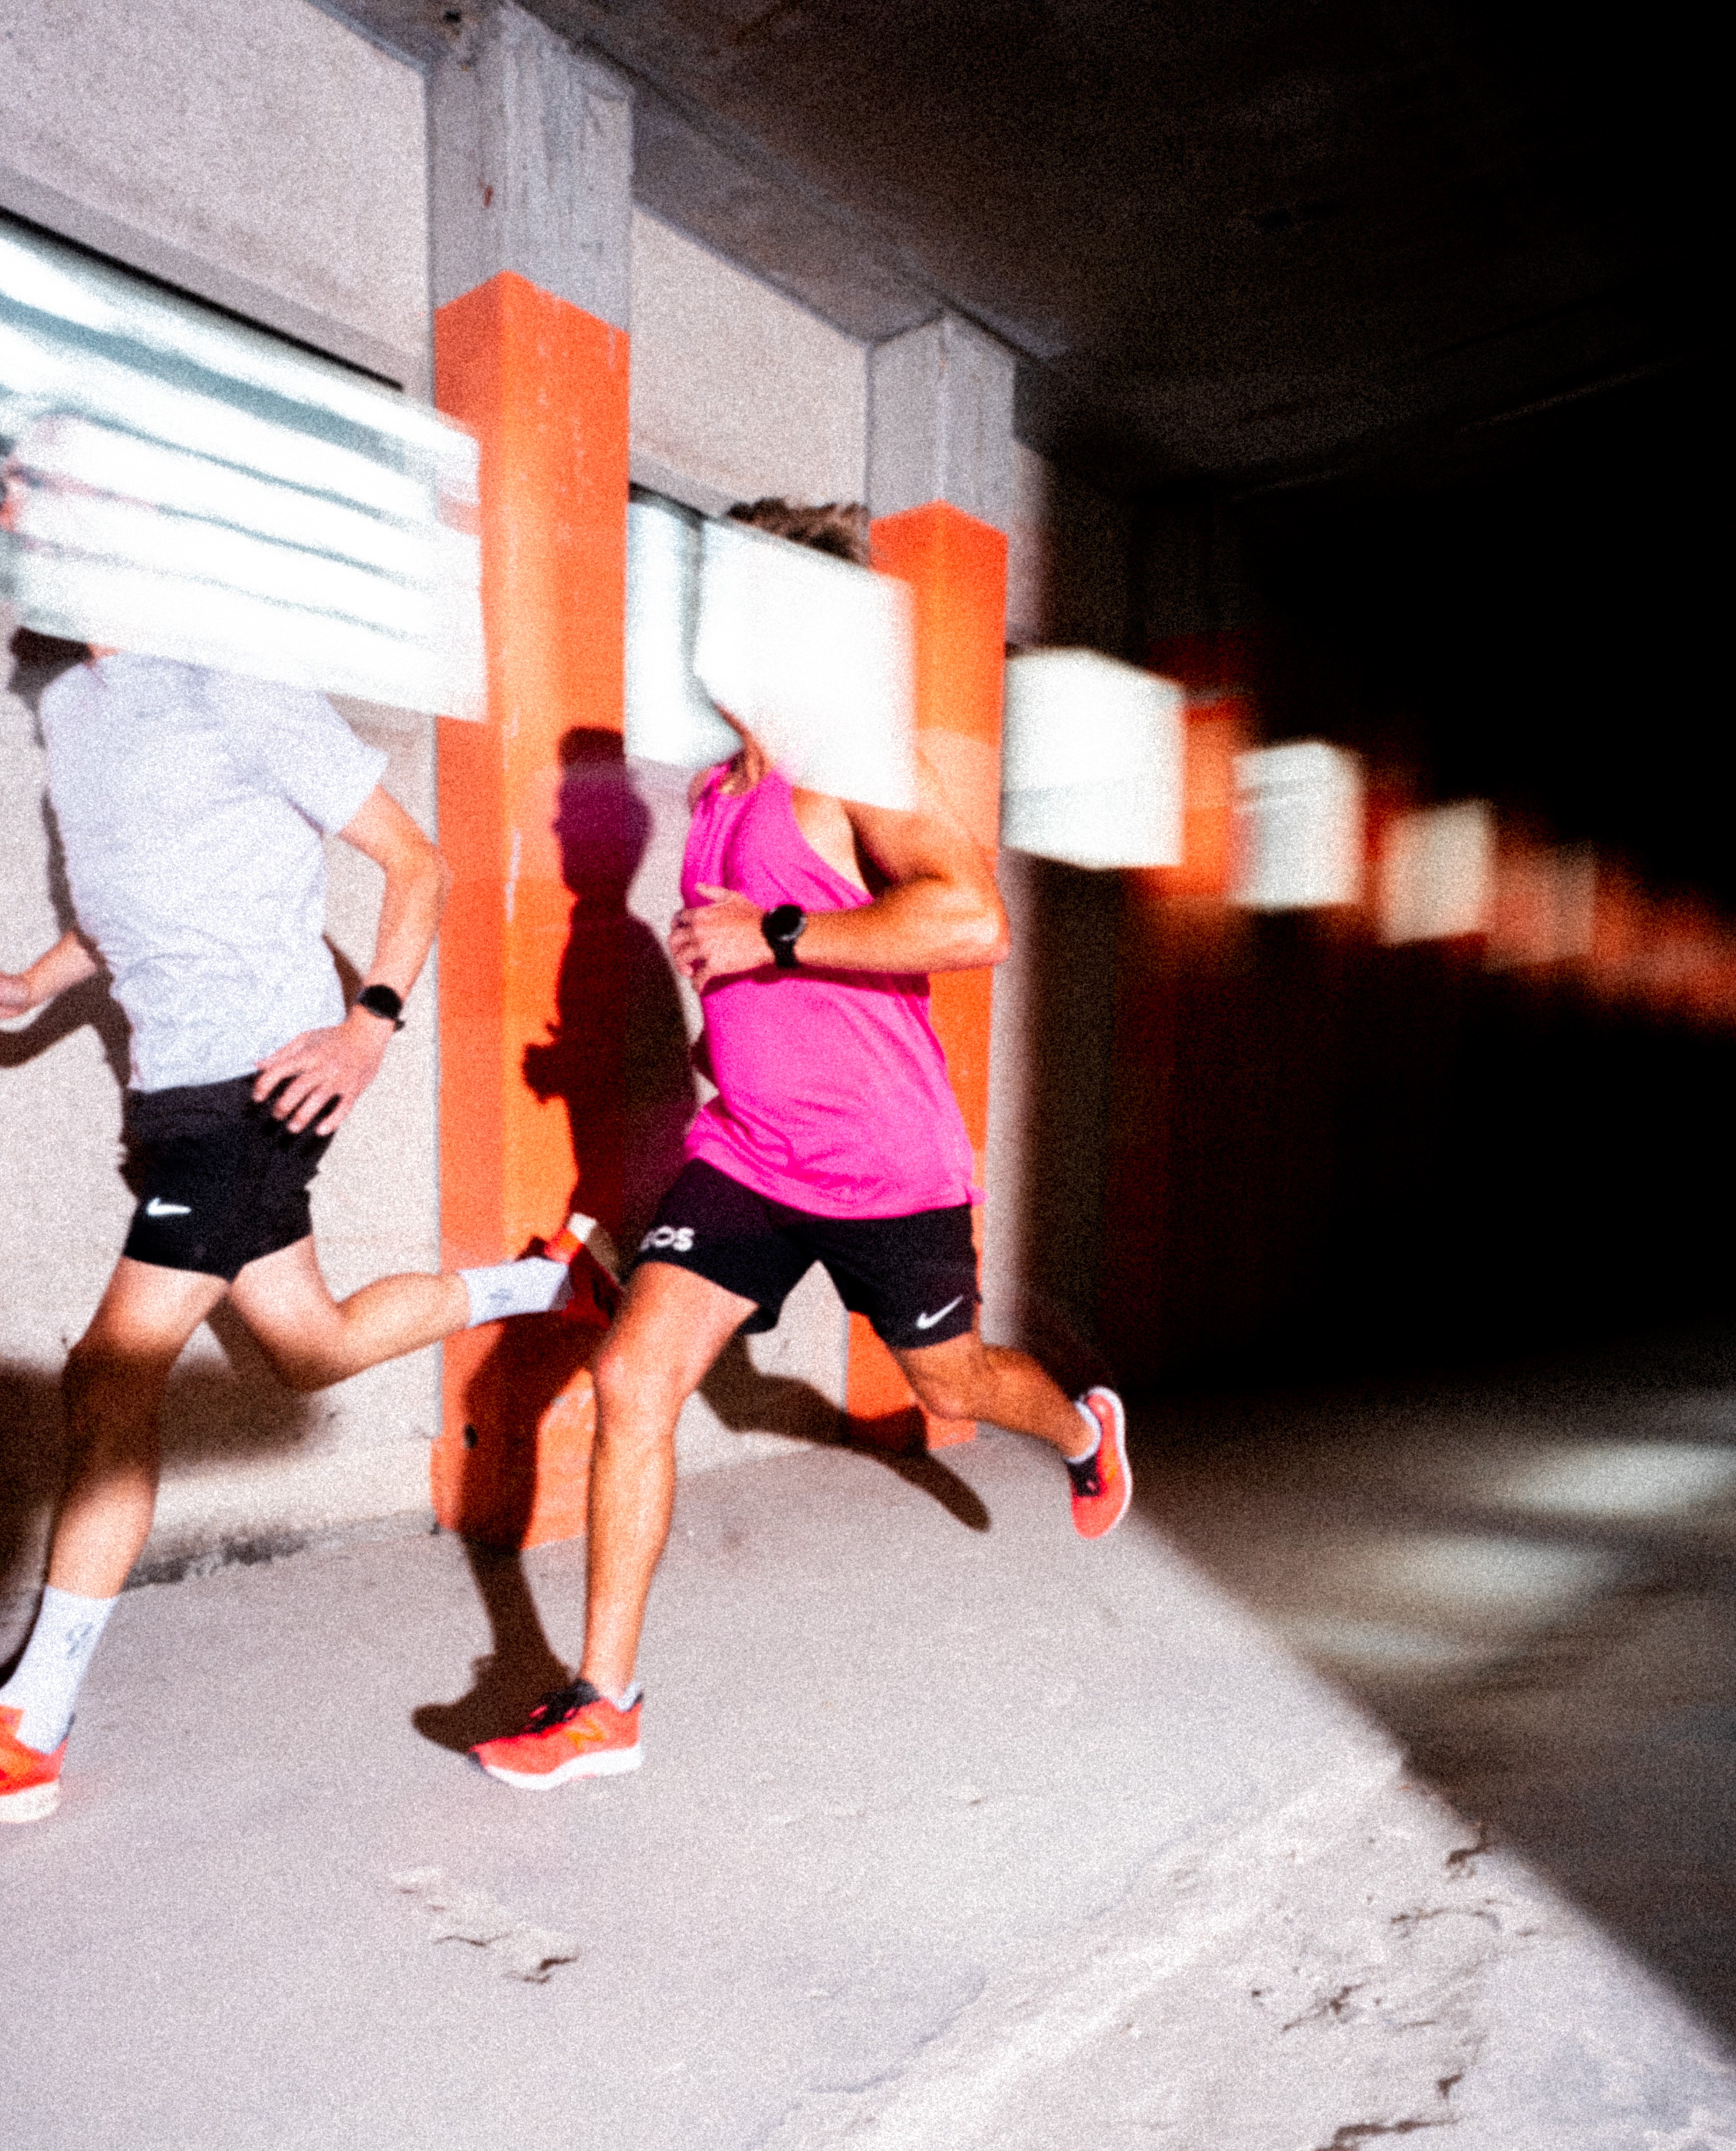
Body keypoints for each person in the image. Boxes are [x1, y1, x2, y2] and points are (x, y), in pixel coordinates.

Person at [470, 499, 1132, 1795]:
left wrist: (772, 935)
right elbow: (760, 985)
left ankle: (1081, 1429)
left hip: (888, 1168)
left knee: (947, 1386)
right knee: (632, 1380)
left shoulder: (861, 768)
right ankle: (607, 1700)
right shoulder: (719, 791)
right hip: (750, 1157)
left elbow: (971, 921)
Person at [0, 645, 579, 1822]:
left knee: (109, 1377)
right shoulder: (73, 701)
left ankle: (32, 1721)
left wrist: (368, 1027)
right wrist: (36, 980)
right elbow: (134, 902)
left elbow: (420, 866)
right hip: (170, 1089)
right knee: (307, 1344)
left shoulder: (235, 680)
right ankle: (538, 1287)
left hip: (260, 1078)